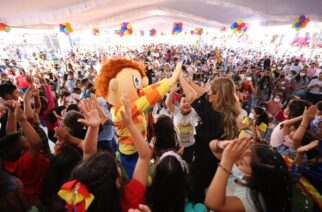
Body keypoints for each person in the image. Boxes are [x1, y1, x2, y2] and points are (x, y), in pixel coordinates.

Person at [58, 96, 151, 211]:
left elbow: (88, 152)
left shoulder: (82, 205)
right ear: (117, 182)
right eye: (116, 164)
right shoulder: (129, 198)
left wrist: (93, 128)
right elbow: (145, 156)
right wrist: (129, 124)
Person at [179, 75, 240, 202]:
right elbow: (203, 94)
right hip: (213, 162)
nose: (208, 94)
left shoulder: (214, 115)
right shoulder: (225, 112)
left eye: (211, 91)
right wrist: (189, 80)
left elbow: (192, 97)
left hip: (205, 165)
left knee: (194, 191)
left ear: (219, 95)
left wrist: (179, 76)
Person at [206, 138, 292, 212]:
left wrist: (227, 160)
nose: (235, 161)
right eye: (239, 155)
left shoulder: (252, 199)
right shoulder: (242, 173)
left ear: (257, 176)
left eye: (242, 162)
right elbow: (211, 145)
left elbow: (212, 203)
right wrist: (220, 144)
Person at [166, 84, 199, 164]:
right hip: (177, 144)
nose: (187, 103)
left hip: (190, 145)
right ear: (179, 104)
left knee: (188, 163)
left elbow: (198, 100)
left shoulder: (194, 112)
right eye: (184, 101)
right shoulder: (176, 111)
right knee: (176, 163)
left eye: (189, 102)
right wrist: (173, 92)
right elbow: (168, 103)